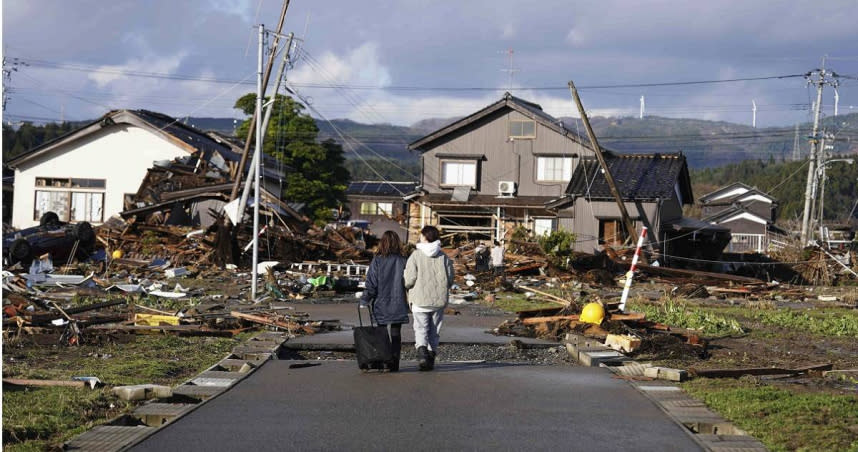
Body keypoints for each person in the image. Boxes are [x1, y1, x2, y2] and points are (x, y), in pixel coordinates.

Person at [404, 226, 454, 371]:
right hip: (438, 300)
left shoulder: (416, 255)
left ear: (425, 237)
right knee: (434, 330)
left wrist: (406, 285)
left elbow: (409, 279)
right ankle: (430, 356)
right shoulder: (443, 256)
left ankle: (422, 353)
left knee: (420, 328)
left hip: (419, 299)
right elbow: (450, 278)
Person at [360, 230, 409, 372]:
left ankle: (384, 361)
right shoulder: (403, 260)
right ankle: (394, 363)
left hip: (381, 302)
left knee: (382, 333)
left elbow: (372, 283)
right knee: (396, 334)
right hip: (399, 301)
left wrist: (365, 299)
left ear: (383, 243)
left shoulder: (378, 260)